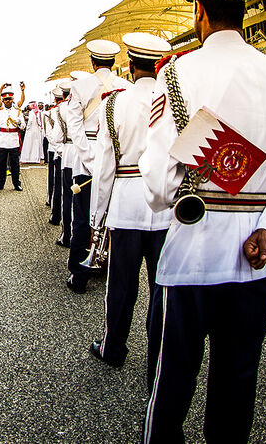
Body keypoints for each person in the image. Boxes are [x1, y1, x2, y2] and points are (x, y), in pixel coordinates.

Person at [140, 0, 266, 442]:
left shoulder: (178, 76)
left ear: (199, 11)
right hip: (257, 259)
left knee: (171, 386)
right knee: (236, 391)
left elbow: (156, 183)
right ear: (243, 12)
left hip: (194, 253)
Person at [87, 32, 173, 368]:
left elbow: (104, 168)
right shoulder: (173, 101)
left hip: (125, 202)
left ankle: (113, 347)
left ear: (131, 64)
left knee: (121, 283)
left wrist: (98, 218)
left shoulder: (114, 103)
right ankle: (160, 349)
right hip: (165, 204)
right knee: (161, 284)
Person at [65, 40, 127, 293]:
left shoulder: (80, 86)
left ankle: (78, 275)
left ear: (92, 62)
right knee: (113, 216)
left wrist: (90, 160)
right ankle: (107, 267)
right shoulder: (126, 86)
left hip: (86, 154)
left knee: (82, 218)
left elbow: (75, 127)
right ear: (113, 62)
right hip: (116, 155)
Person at [0, 85, 25, 191]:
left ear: (12, 99)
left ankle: (17, 184)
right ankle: (0, 184)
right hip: (2, 140)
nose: (7, 101)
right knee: (1, 164)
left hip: (14, 140)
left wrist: (19, 124)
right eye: (5, 99)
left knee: (15, 165)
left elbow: (23, 126)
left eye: (9, 99)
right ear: (3, 100)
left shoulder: (18, 111)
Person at [54, 82, 74, 245]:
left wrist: (62, 152)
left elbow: (56, 138)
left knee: (67, 196)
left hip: (69, 156)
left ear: (62, 95)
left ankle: (67, 235)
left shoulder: (60, 109)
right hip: (91, 157)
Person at [45, 87, 65, 227]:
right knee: (55, 181)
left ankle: (55, 211)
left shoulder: (53, 112)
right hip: (57, 150)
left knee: (56, 182)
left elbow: (49, 134)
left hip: (57, 150)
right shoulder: (52, 112)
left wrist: (59, 149)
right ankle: (53, 205)